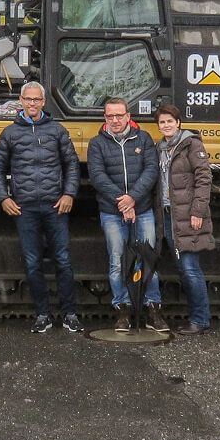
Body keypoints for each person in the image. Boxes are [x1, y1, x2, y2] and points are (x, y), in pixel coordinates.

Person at [0, 82, 83, 334]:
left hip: (56, 206)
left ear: (44, 102)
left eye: (37, 100)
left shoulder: (57, 131)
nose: (32, 104)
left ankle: (69, 313)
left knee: (63, 260)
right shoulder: (9, 134)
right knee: (32, 263)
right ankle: (42, 314)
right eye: (28, 99)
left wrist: (69, 194)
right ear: (21, 100)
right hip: (25, 208)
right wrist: (3, 197)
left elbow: (71, 165)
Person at [88, 97, 168, 333]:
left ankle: (152, 309)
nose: (115, 120)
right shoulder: (96, 144)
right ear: (105, 117)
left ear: (128, 116)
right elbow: (97, 176)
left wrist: (133, 198)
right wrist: (123, 202)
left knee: (148, 260)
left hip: (142, 210)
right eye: (110, 116)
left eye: (119, 115)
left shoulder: (143, 139)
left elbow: (151, 170)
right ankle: (121, 309)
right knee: (116, 261)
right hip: (112, 212)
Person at [153, 104, 214, 335]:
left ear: (178, 122)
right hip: (168, 215)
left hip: (187, 216)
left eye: (170, 121)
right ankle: (198, 317)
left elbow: (204, 178)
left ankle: (200, 319)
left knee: (190, 268)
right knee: (182, 267)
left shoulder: (191, 145)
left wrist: (197, 211)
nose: (166, 125)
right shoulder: (160, 148)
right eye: (162, 122)